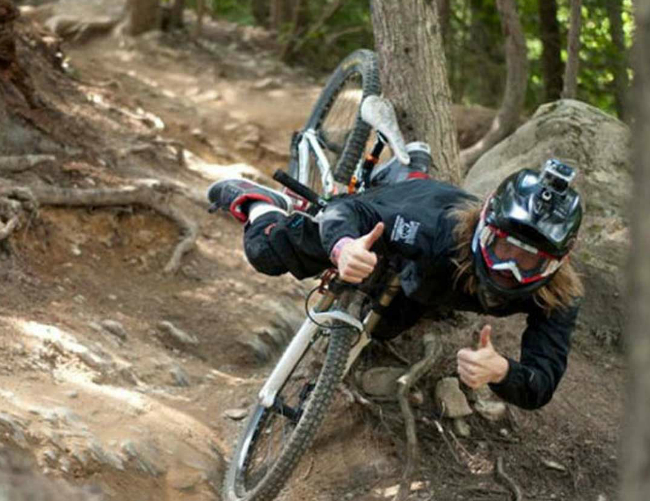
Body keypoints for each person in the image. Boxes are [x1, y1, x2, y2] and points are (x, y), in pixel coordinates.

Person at [206, 158, 584, 411]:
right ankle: (261, 203)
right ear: (483, 227)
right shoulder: (434, 227)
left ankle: (413, 165)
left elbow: (541, 382)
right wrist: (344, 246)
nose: (508, 269)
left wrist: (501, 372)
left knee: (385, 327)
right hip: (410, 221)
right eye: (502, 248)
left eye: (529, 261)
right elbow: (349, 210)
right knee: (267, 252)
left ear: (557, 264)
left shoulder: (557, 296)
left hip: (428, 280)